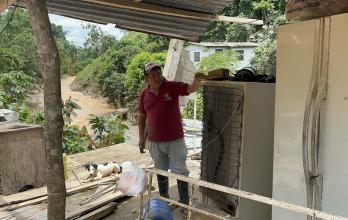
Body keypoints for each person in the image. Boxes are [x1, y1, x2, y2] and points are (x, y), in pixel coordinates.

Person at [138, 62, 204, 205]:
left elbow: (189, 89)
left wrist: (196, 83)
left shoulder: (171, 87)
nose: (157, 78)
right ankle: (164, 200)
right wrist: (141, 139)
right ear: (146, 78)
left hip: (175, 140)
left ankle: (184, 203)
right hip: (155, 142)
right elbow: (142, 116)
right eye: (153, 75)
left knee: (181, 172)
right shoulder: (144, 95)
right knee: (161, 172)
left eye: (159, 74)